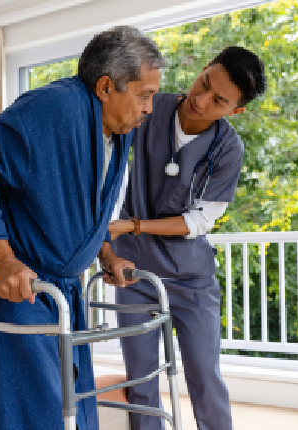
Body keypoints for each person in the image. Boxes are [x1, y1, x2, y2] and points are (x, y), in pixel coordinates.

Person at [0, 25, 165, 430]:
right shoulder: (53, 108)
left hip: (62, 287)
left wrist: (106, 254)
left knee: (72, 405)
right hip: (19, 283)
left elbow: (87, 209)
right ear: (106, 87)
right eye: (144, 94)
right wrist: (2, 261)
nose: (149, 108)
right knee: (37, 409)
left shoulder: (117, 131)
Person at [106, 46, 266, 430]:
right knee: (141, 378)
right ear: (204, 67)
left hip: (190, 276)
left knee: (204, 375)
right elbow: (111, 168)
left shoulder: (228, 148)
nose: (201, 100)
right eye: (204, 83)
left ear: (235, 111)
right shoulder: (147, 108)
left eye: (218, 101)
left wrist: (133, 226)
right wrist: (111, 244)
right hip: (134, 271)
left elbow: (199, 220)